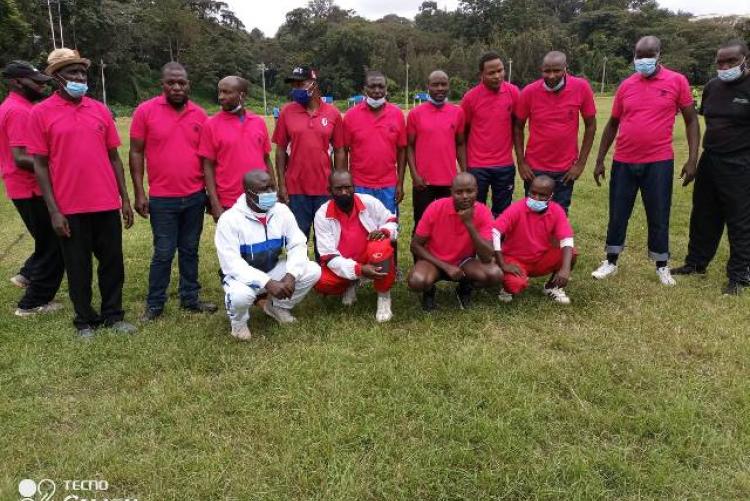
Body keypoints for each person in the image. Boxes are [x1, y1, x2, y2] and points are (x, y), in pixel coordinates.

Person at [28, 48, 136, 337]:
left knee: (112, 263)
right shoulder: (40, 113)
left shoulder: (99, 110)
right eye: (72, 73)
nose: (79, 77)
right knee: (78, 267)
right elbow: (39, 165)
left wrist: (124, 198)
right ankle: (85, 320)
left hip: (105, 203)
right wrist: (53, 210)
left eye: (82, 72)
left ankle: (114, 315)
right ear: (56, 78)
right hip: (70, 207)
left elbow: (114, 157)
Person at [591, 36, 700, 286]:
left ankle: (662, 265)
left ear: (659, 55)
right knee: (618, 212)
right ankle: (611, 261)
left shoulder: (677, 81)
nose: (643, 61)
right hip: (624, 160)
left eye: (648, 55)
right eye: (639, 56)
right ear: (634, 56)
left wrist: (692, 159)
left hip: (658, 161)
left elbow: (692, 120)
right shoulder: (627, 85)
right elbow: (613, 123)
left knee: (659, 213)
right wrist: (599, 160)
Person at [130, 62, 216, 320]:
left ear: (189, 84)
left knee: (190, 249)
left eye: (182, 83)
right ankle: (155, 304)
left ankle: (190, 297)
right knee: (164, 252)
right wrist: (139, 192)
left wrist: (210, 196)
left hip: (194, 196)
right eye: (171, 83)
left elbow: (208, 159)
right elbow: (135, 151)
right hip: (162, 198)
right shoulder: (145, 111)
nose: (177, 87)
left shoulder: (200, 115)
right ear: (163, 85)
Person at [672, 40, 750, 295]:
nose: (725, 66)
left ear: (745, 60)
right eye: (721, 62)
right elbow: (708, 120)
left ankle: (739, 275)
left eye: (731, 61)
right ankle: (696, 263)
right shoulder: (712, 87)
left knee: (740, 220)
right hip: (711, 158)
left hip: (741, 162)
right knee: (704, 214)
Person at [215, 171, 321, 341]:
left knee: (312, 270)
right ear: (249, 193)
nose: (272, 192)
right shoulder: (230, 220)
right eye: (265, 189)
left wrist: (291, 275)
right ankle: (238, 324)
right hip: (240, 278)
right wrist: (267, 283)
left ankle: (277, 307)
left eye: (272, 186)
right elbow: (231, 264)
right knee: (240, 296)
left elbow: (297, 243)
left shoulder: (281, 211)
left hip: (272, 268)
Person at [0, 61, 64, 316]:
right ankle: (33, 302)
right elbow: (22, 157)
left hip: (23, 187)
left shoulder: (16, 107)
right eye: (35, 82)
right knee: (56, 245)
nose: (41, 86)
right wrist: (59, 166)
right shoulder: (20, 112)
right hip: (31, 188)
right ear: (16, 82)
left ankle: (27, 275)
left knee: (47, 240)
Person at [513, 51, 597, 213]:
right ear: (541, 70)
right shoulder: (529, 92)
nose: (551, 76)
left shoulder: (581, 87)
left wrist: (580, 164)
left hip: (565, 169)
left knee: (559, 214)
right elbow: (517, 127)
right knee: (533, 213)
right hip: (534, 169)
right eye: (547, 71)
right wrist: (522, 162)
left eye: (557, 70)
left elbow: (591, 126)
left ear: (566, 69)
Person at [407, 172, 503, 311]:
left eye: (469, 191)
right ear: (451, 192)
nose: (464, 196)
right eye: (459, 192)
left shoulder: (483, 212)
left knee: (494, 274)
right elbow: (415, 246)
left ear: (477, 190)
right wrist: (446, 267)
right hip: (434, 261)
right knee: (417, 281)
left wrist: (469, 223)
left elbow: (487, 256)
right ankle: (429, 291)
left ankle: (464, 287)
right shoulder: (435, 208)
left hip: (464, 262)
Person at [273, 65, 344, 247]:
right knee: (297, 239)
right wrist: (281, 184)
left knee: (325, 239)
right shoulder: (286, 112)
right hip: (296, 188)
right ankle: (299, 274)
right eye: (294, 85)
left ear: (313, 84)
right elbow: (280, 150)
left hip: (325, 188)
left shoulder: (333, 113)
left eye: (300, 84)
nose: (296, 89)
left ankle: (326, 274)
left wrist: (339, 182)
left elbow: (339, 150)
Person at [314, 171, 398, 322]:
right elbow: (328, 256)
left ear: (354, 187)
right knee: (321, 282)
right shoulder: (322, 214)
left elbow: (391, 220)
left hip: (370, 256)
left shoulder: (369, 202)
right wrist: (359, 270)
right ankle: (351, 283)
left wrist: (384, 231)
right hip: (346, 261)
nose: (344, 192)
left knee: (380, 247)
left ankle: (384, 296)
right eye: (338, 189)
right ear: (329, 191)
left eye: (348, 187)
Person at [199, 75, 274, 221]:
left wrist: (274, 192)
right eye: (220, 92)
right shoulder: (211, 125)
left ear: (242, 95)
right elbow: (207, 166)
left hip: (260, 198)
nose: (221, 97)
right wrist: (215, 203)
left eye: (227, 92)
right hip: (229, 201)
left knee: (262, 241)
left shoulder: (258, 122)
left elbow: (266, 160)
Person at [493, 176, 576, 305]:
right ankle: (506, 288)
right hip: (515, 260)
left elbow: (567, 239)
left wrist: (565, 269)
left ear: (551, 196)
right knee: (515, 285)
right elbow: (495, 231)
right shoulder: (517, 208)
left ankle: (551, 287)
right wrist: (502, 263)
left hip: (540, 258)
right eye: (533, 193)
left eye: (542, 195)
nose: (536, 198)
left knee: (571, 254)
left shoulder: (557, 210)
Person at [461, 52, 520, 216]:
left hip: (504, 165)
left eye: (500, 71)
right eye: (491, 73)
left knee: (503, 212)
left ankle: (498, 241)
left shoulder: (513, 92)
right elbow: (462, 135)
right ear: (481, 74)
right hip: (477, 166)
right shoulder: (470, 98)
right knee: (475, 211)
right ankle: (477, 241)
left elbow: (517, 127)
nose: (497, 76)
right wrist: (465, 168)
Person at [407, 70, 467, 230]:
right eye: (435, 85)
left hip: (449, 182)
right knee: (421, 225)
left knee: (448, 226)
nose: (440, 88)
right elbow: (409, 146)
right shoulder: (415, 114)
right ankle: (420, 256)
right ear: (428, 87)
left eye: (443, 84)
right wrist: (414, 175)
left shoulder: (458, 112)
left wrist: (464, 173)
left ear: (448, 86)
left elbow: (460, 144)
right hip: (423, 183)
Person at [342, 70, 406, 213]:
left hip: (388, 185)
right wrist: (345, 184)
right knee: (361, 230)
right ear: (364, 89)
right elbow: (343, 151)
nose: (377, 90)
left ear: (386, 88)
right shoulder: (351, 116)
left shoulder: (397, 115)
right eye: (372, 86)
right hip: (359, 185)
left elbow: (402, 151)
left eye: (381, 86)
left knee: (387, 229)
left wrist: (400, 183)